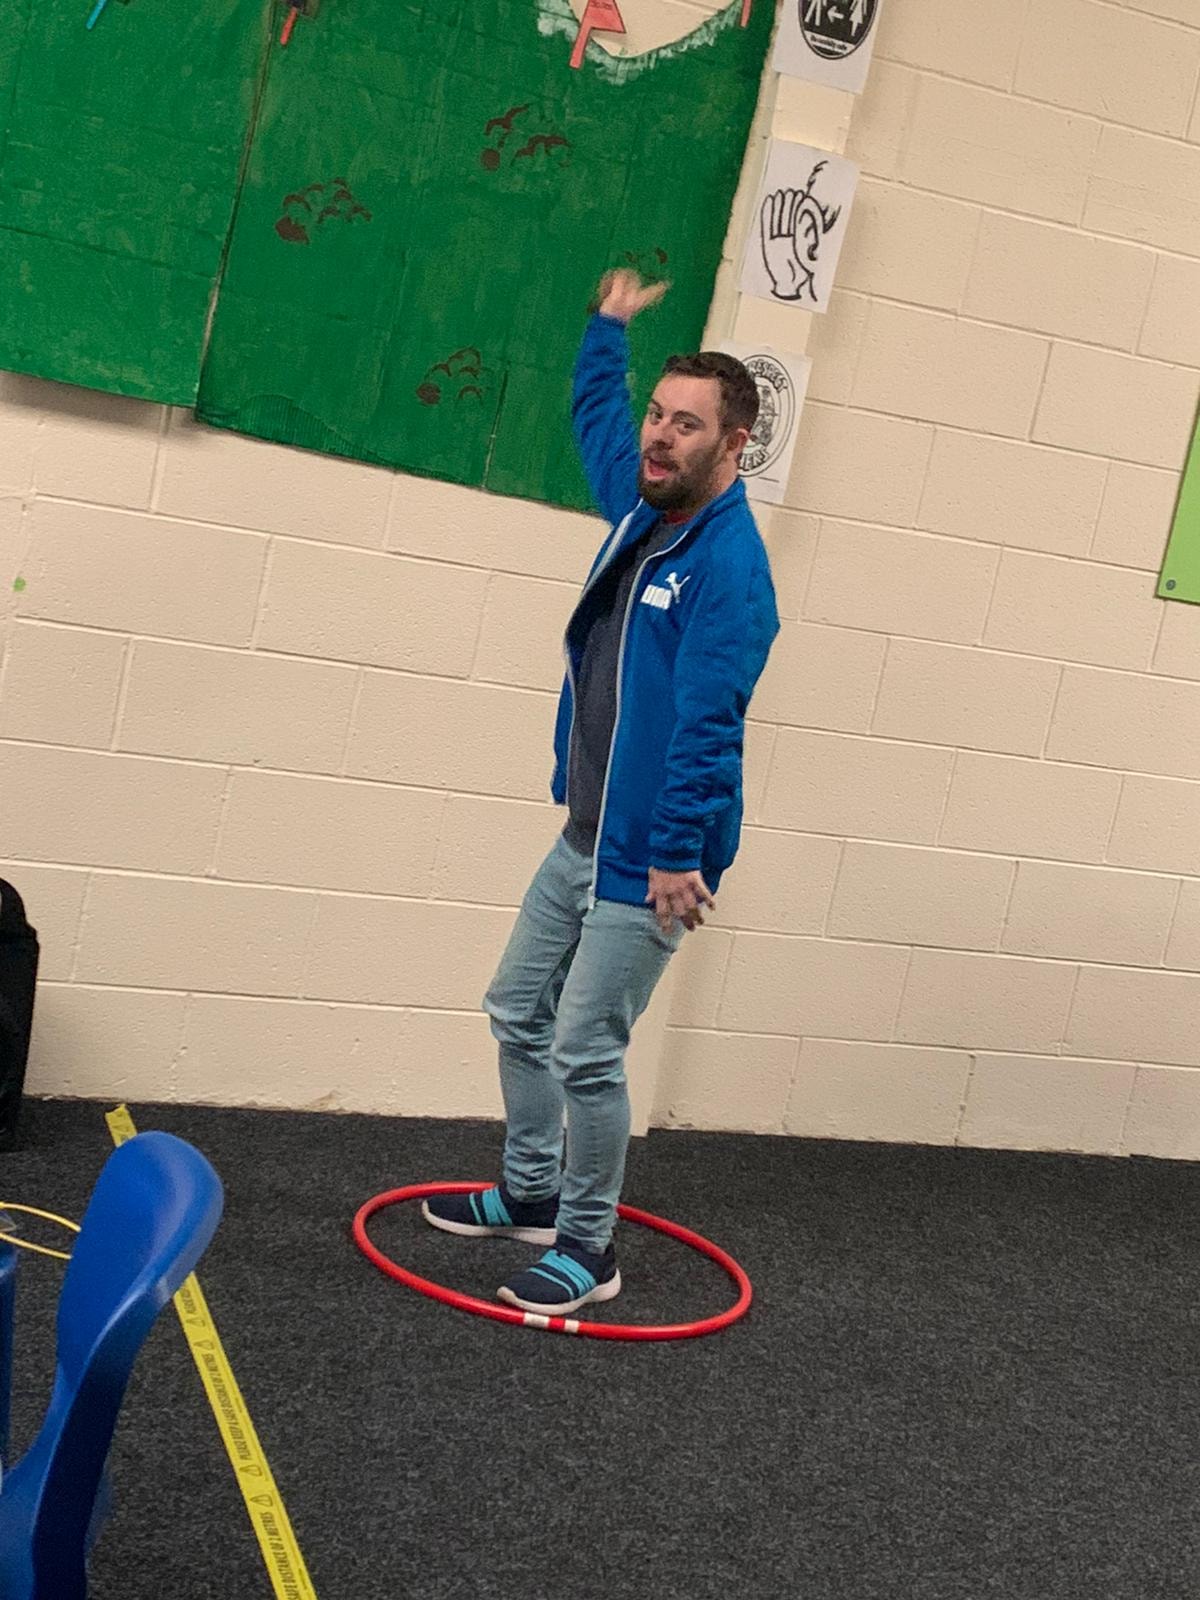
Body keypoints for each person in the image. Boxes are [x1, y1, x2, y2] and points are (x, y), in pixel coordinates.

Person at [423, 269, 780, 1315]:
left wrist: (674, 853)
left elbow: (709, 728)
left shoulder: (729, 568)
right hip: (587, 832)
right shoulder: (645, 510)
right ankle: (531, 1191)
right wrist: (606, 329)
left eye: (685, 424)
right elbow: (594, 423)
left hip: (652, 857)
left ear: (734, 444)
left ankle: (587, 1246)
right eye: (658, 416)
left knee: (585, 1047)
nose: (658, 436)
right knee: (516, 1009)